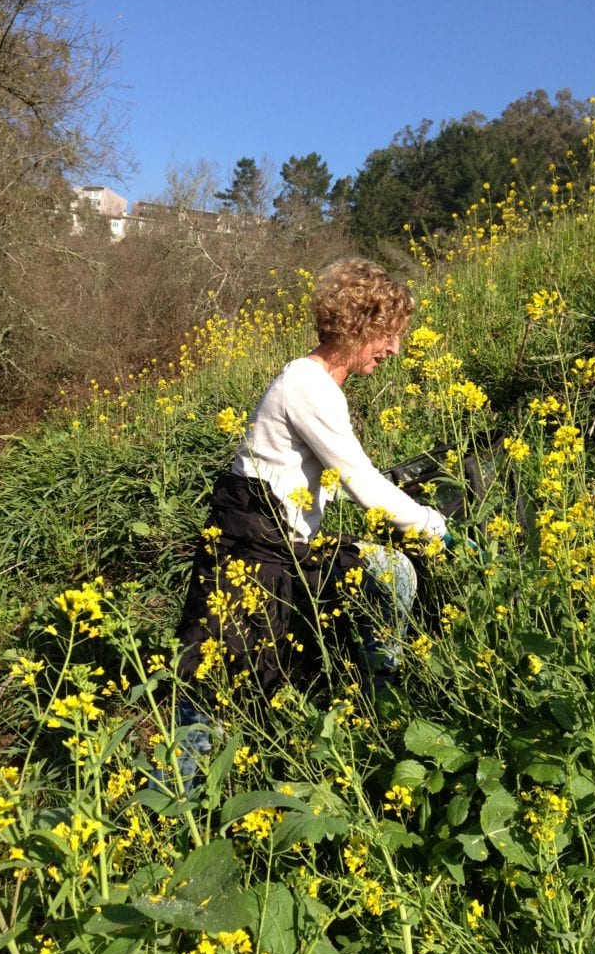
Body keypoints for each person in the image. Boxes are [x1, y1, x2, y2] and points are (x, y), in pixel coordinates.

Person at [175, 258, 448, 708]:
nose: (395, 348)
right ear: (357, 328)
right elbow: (360, 481)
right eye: (389, 334)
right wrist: (434, 527)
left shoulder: (317, 386)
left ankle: (378, 694)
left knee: (389, 572)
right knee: (214, 686)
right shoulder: (307, 383)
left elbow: (331, 478)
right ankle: (184, 772)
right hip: (252, 551)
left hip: (280, 547)